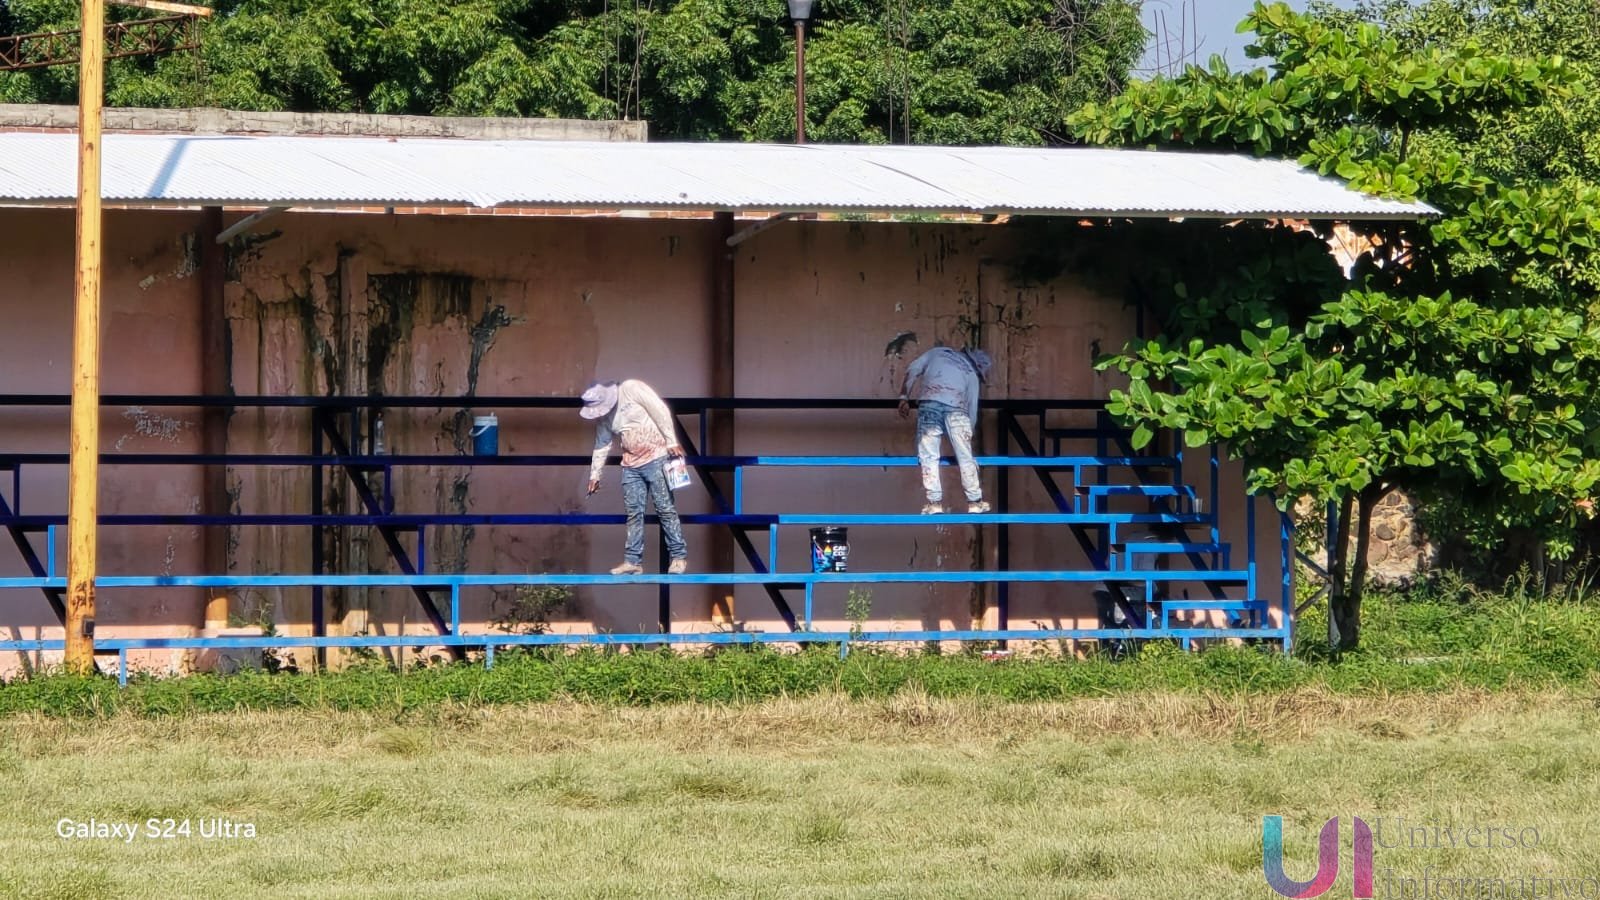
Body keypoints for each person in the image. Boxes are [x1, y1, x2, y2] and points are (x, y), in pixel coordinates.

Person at [581, 379, 689, 575]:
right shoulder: (604, 417)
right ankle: (633, 560)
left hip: (657, 456)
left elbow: (659, 410)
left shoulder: (631, 389)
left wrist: (671, 441)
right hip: (631, 465)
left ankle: (678, 557)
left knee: (665, 508)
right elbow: (602, 443)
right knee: (633, 513)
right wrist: (595, 474)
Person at [898, 345, 992, 514]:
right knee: (965, 456)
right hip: (957, 409)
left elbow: (913, 369)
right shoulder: (971, 374)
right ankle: (975, 501)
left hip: (929, 403)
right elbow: (972, 410)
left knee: (929, 455)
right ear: (978, 368)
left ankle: (934, 503)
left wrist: (904, 397)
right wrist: (966, 436)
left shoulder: (937, 352)